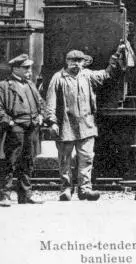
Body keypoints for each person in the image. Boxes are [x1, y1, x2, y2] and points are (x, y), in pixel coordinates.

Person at [45, 48, 124, 201]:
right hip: (65, 126)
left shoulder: (87, 75)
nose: (76, 64)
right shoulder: (58, 78)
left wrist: (115, 56)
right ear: (67, 62)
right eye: (72, 61)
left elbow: (106, 74)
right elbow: (51, 101)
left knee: (86, 158)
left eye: (79, 61)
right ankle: (66, 189)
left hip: (86, 125)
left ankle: (85, 189)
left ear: (83, 62)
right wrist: (52, 121)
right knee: (65, 160)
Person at [0, 54, 45, 205]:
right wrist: (9, 122)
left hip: (31, 127)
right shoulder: (4, 85)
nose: (29, 71)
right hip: (15, 128)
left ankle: (25, 195)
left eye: (30, 68)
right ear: (15, 68)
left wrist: (41, 115)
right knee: (10, 161)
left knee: (28, 161)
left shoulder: (30, 85)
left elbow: (40, 102)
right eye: (26, 68)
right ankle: (4, 195)